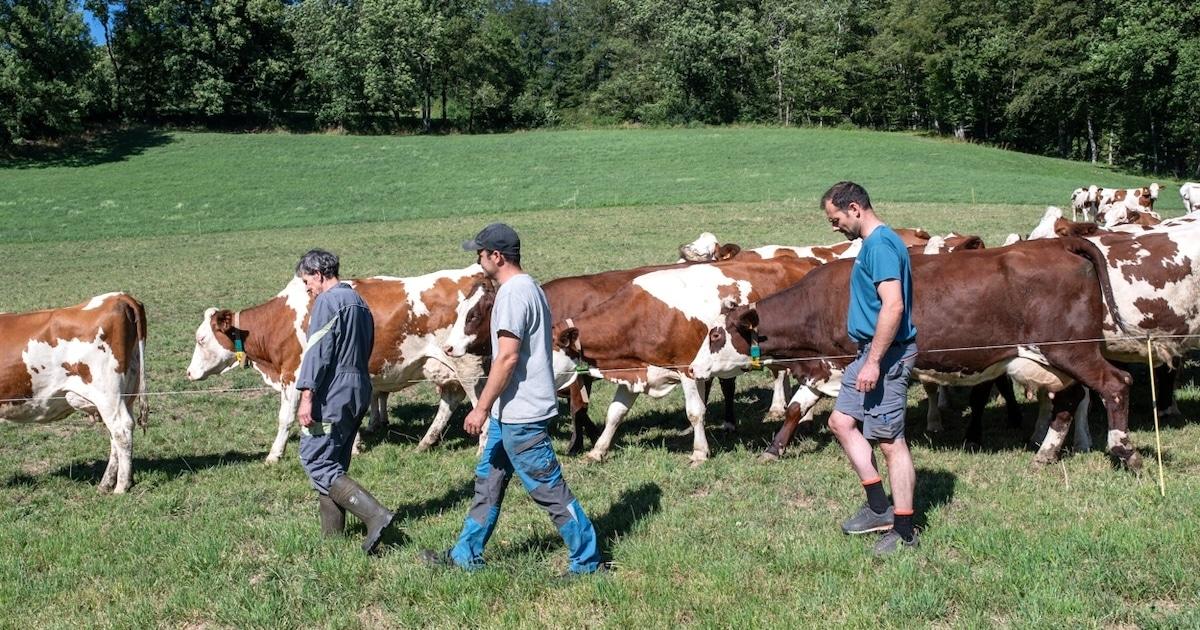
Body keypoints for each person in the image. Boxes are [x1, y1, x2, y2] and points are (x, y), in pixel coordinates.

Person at [418, 223, 605, 576]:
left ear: (497, 256)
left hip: (522, 416)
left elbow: (507, 357)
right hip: (510, 413)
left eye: (481, 253)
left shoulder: (512, 295)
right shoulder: (529, 286)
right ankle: (465, 555)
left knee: (549, 490)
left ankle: (588, 561)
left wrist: (481, 407)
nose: (478, 258)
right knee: (487, 483)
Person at [820, 182, 920, 556]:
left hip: (887, 355)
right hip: (870, 352)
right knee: (841, 422)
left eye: (836, 219)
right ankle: (879, 506)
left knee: (891, 442)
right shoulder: (877, 243)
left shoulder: (879, 245)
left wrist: (875, 362)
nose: (834, 227)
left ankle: (906, 530)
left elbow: (892, 307)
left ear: (855, 208)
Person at [294, 249, 395, 555]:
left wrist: (306, 395)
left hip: (333, 388)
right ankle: (332, 541)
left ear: (319, 274)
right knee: (335, 461)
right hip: (359, 386)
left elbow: (317, 352)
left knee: (315, 458)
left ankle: (375, 515)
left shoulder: (327, 301)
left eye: (306, 280)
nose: (306, 287)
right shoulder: (360, 303)